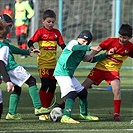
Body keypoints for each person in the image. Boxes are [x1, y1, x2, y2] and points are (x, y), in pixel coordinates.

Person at [53, 30, 114, 124]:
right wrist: (90, 47)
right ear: (78, 38)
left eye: (87, 42)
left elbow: (91, 59)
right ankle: (66, 116)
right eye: (83, 40)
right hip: (61, 73)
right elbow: (75, 47)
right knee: (72, 93)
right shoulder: (73, 43)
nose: (84, 43)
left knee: (83, 92)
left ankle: (84, 114)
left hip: (68, 74)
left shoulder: (82, 51)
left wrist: (105, 54)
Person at [0, 19, 50, 120]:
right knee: (32, 81)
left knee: (17, 88)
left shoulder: (5, 43)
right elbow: (2, 60)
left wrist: (27, 52)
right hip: (11, 67)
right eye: (8, 26)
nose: (10, 28)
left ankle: (11, 113)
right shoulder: (3, 44)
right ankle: (38, 108)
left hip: (4, 70)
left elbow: (12, 49)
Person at [81, 24, 133, 122]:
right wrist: (92, 55)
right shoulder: (111, 41)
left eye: (125, 38)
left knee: (117, 89)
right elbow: (99, 47)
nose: (121, 39)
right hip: (100, 69)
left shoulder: (130, 47)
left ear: (130, 38)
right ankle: (65, 105)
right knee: (82, 88)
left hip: (113, 72)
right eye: (120, 37)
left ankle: (116, 114)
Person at [27, 9, 66, 121]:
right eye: (48, 21)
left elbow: (62, 45)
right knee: (45, 84)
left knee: (53, 86)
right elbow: (30, 42)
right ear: (43, 21)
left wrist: (68, 52)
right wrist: (33, 48)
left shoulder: (56, 33)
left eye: (53, 22)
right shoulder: (40, 32)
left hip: (54, 64)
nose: (51, 24)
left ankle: (47, 108)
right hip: (43, 63)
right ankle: (42, 110)